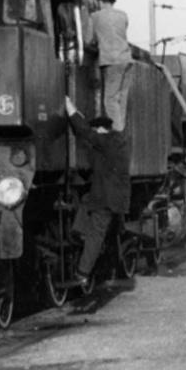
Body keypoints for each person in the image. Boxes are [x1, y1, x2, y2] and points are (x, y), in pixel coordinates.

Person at [64, 95, 131, 285]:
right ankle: (80, 232)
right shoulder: (114, 141)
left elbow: (86, 132)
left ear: (101, 130)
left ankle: (83, 273)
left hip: (107, 198)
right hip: (108, 195)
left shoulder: (108, 141)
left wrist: (70, 107)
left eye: (96, 131)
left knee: (96, 234)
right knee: (87, 199)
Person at [89, 0, 133, 132]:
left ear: (100, 2)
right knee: (122, 99)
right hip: (126, 59)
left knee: (110, 99)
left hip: (112, 60)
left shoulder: (95, 16)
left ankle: (116, 132)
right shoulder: (123, 15)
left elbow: (89, 39)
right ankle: (121, 128)